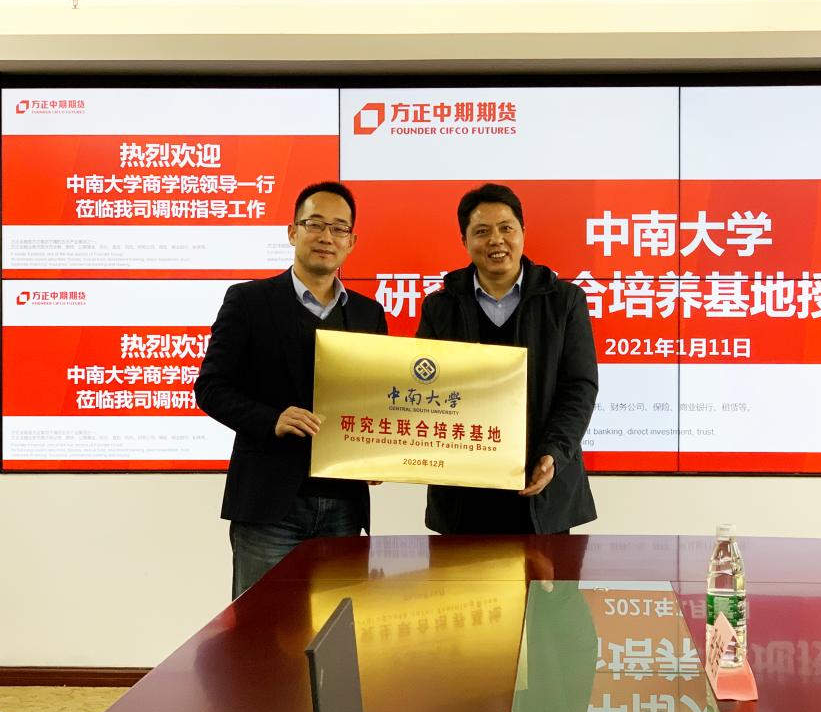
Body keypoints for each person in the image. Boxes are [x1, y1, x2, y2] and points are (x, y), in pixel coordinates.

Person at [194, 180, 387, 598]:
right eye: (315, 224)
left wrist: (380, 455)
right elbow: (210, 387)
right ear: (292, 231)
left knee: (335, 626)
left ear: (352, 241)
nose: (326, 237)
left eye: (339, 228)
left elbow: (377, 402)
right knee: (262, 626)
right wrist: (272, 419)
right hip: (268, 505)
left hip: (343, 504)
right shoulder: (249, 301)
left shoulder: (368, 314)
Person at [416, 183, 598, 534]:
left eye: (506, 228)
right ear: (464, 240)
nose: (496, 240)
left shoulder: (564, 301)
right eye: (482, 231)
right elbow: (423, 389)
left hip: (542, 491)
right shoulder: (440, 307)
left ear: (523, 232)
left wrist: (553, 454)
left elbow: (580, 387)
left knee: (548, 574)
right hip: (463, 494)